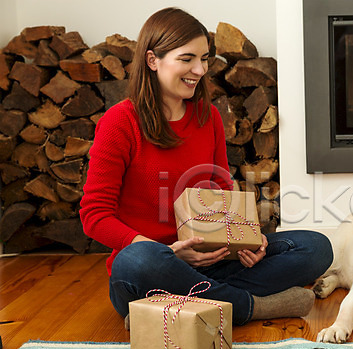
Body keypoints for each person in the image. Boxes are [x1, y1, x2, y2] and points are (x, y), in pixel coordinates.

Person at [79, 7, 333, 327]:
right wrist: (171, 253)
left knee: (316, 247)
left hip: (212, 261)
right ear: (152, 60)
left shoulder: (208, 116)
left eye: (204, 58)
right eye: (187, 59)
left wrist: (248, 239)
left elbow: (223, 192)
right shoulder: (120, 121)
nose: (199, 70)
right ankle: (248, 306)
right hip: (155, 265)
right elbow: (94, 216)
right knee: (136, 260)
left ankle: (170, 308)